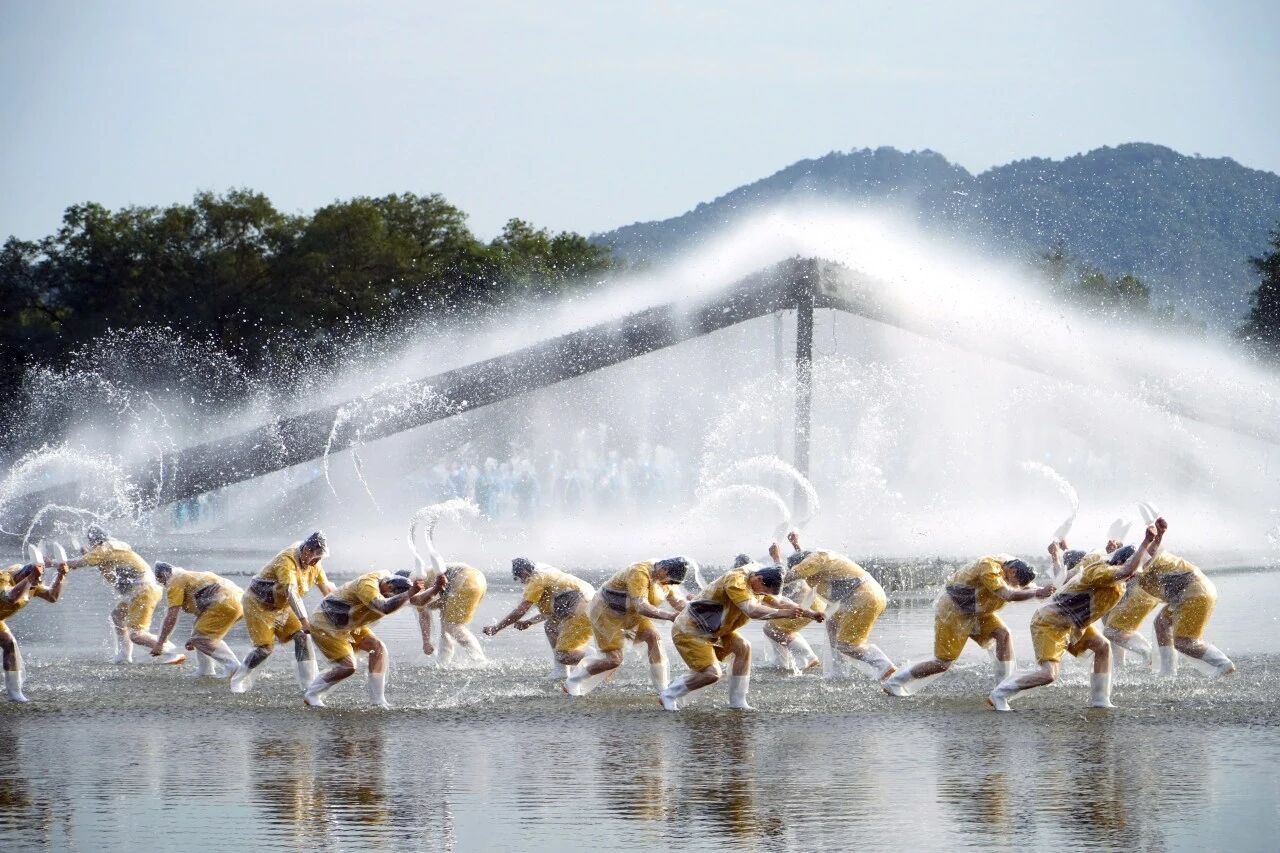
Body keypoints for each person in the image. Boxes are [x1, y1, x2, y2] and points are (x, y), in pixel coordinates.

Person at [988, 525, 1156, 712]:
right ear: (1120, 562)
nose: (1134, 575)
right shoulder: (1101, 572)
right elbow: (1127, 570)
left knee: (1103, 647)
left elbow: (1140, 564)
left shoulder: (1118, 577)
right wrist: (1146, 541)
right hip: (1050, 623)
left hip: (1074, 625)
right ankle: (999, 693)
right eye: (1133, 568)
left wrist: (1158, 538)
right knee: (1049, 675)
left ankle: (1101, 700)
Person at [660, 544, 823, 711]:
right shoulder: (737, 581)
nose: (763, 595)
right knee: (712, 674)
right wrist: (784, 613)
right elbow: (751, 610)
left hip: (716, 630)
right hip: (690, 630)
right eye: (763, 591)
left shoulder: (759, 581)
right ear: (758, 579)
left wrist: (809, 613)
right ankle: (669, 694)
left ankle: (738, 702)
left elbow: (780, 601)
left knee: (744, 647)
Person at [884, 553, 1053, 697]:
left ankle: (1002, 689)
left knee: (1003, 634)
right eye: (1015, 583)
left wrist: (1046, 590)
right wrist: (1037, 592)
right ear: (1012, 571)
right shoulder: (989, 567)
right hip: (953, 611)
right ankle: (895, 682)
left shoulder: (1013, 568)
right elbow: (1007, 594)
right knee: (942, 663)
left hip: (976, 613)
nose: (1015, 586)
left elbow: (1028, 589)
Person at [304, 572, 442, 708]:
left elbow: (418, 600)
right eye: (388, 595)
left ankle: (378, 700)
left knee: (377, 648)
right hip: (325, 625)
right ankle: (312, 694)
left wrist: (436, 587)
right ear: (387, 585)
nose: (389, 597)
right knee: (348, 667)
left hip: (352, 625)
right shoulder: (368, 585)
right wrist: (408, 594)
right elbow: (385, 607)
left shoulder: (393, 586)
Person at [562, 556, 692, 698]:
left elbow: (677, 602)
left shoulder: (663, 579)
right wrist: (670, 616)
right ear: (664, 569)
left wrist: (696, 608)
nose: (669, 584)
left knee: (654, 638)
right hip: (607, 613)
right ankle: (573, 680)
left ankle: (663, 691)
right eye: (670, 580)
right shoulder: (639, 572)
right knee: (614, 660)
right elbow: (641, 606)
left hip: (631, 614)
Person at [60, 523, 185, 665]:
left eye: (91, 542)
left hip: (143, 591)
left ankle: (169, 651)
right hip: (139, 590)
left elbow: (79, 563)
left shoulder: (105, 548)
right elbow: (94, 561)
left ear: (95, 541)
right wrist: (87, 554)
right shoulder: (110, 548)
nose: (90, 545)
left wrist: (53, 563)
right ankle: (125, 655)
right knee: (117, 616)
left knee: (136, 635)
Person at [783, 532, 895, 682]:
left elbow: (789, 576)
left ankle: (884, 665)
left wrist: (760, 579)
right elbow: (802, 560)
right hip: (857, 597)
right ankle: (838, 673)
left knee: (847, 644)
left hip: (863, 598)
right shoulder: (812, 560)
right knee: (832, 623)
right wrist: (796, 545)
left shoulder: (814, 559)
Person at [231, 531, 335, 693]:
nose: (316, 562)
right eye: (314, 557)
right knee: (264, 649)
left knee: (302, 637)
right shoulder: (287, 561)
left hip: (281, 605)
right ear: (306, 549)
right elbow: (290, 592)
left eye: (319, 558)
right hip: (258, 604)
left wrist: (339, 611)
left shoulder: (315, 564)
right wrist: (304, 621)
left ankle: (309, 686)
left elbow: (326, 589)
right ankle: (237, 679)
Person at [1139, 518, 1235, 678]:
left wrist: (1158, 535)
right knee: (1161, 622)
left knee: (1183, 642)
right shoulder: (1134, 566)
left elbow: (1149, 552)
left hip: (1195, 594)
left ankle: (1223, 663)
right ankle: (1167, 672)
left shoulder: (1137, 562)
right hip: (1190, 593)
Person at [482, 558, 595, 679]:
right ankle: (561, 671)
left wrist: (496, 628)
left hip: (582, 610)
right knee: (550, 626)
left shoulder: (537, 579)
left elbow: (520, 611)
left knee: (564, 656)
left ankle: (597, 658)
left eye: (519, 578)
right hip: (588, 606)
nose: (522, 582)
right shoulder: (548, 575)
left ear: (524, 573)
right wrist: (530, 621)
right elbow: (556, 610)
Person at [151, 562, 244, 677]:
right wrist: (193, 637)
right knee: (200, 636)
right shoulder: (189, 577)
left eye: (160, 579)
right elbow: (203, 612)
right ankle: (205, 669)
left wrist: (160, 643)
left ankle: (233, 666)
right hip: (237, 602)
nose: (161, 583)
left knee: (201, 638)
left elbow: (171, 616)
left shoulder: (174, 582)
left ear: (164, 575)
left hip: (224, 603)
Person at [1, 552, 69, 702]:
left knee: (10, 644)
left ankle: (15, 692)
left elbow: (52, 596)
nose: (34, 585)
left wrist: (61, 575)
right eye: (32, 579)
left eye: (36, 581)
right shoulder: (4, 578)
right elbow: (11, 598)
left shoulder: (33, 583)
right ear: (22, 575)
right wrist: (31, 577)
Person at [412, 542, 488, 666]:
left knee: (453, 627)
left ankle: (481, 662)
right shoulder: (424, 578)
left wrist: (426, 642)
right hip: (478, 579)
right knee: (447, 628)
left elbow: (424, 616)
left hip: (466, 579)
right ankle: (443, 663)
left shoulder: (413, 584)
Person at [761, 555, 826, 675]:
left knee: (771, 629)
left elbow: (779, 577)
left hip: (805, 606)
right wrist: (796, 546)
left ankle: (808, 658)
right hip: (816, 603)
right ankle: (781, 663)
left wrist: (776, 557)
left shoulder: (790, 575)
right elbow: (802, 556)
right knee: (777, 628)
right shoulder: (803, 569)